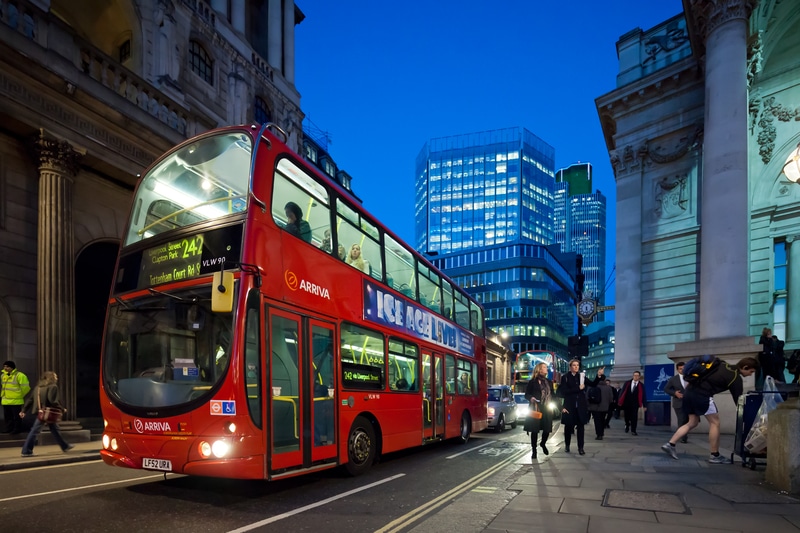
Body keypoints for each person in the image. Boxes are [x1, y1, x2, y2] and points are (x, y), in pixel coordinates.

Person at [661, 357, 759, 464]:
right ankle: (715, 455)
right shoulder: (735, 377)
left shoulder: (722, 364)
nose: (751, 374)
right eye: (751, 371)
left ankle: (670, 444)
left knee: (692, 422)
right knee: (715, 422)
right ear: (745, 367)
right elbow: (738, 400)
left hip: (689, 393)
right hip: (703, 396)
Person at [20, 371, 74, 456]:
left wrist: (23, 410)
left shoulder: (37, 388)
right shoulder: (53, 387)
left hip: (41, 411)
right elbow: (53, 401)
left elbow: (30, 400)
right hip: (48, 412)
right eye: (55, 376)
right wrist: (62, 409)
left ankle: (65, 446)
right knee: (34, 431)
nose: (57, 378)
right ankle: (26, 451)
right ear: (51, 378)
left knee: (54, 429)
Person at [559, 360, 604, 455]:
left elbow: (593, 384)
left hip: (580, 406)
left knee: (581, 427)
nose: (576, 367)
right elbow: (563, 391)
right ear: (570, 367)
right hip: (569, 406)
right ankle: (567, 445)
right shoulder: (565, 377)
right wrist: (577, 388)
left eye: (577, 365)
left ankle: (581, 448)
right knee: (568, 427)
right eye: (574, 365)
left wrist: (598, 376)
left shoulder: (581, 376)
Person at [524, 362, 555, 459]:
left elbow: (552, 395)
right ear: (540, 370)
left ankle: (543, 443)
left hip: (546, 408)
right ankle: (534, 451)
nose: (547, 369)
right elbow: (526, 394)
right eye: (545, 367)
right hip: (536, 407)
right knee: (535, 430)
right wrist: (531, 398)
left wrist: (560, 406)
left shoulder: (549, 382)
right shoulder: (532, 382)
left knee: (547, 430)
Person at [1, 361, 30, 434]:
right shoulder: (3, 375)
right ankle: (9, 429)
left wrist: (19, 395)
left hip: (16, 400)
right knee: (8, 417)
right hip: (5, 400)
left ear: (12, 367)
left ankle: (17, 429)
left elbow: (26, 388)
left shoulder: (20, 375)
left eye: (7, 366)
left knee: (16, 417)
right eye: (4, 366)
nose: (5, 368)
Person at [663, 361, 689, 443]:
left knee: (688, 420)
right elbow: (666, 389)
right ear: (678, 370)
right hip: (679, 403)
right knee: (681, 420)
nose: (682, 370)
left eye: (684, 368)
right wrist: (675, 393)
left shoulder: (690, 377)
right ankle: (683, 437)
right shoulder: (673, 379)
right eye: (680, 369)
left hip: (689, 402)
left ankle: (684, 435)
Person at [618, 370, 646, 435]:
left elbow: (644, 395)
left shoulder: (641, 385)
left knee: (634, 417)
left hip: (635, 404)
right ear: (633, 376)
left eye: (637, 376)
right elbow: (622, 392)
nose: (636, 377)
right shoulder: (627, 383)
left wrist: (645, 405)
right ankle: (627, 424)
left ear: (639, 377)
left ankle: (633, 430)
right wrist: (620, 401)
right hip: (627, 403)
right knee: (627, 416)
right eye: (634, 375)